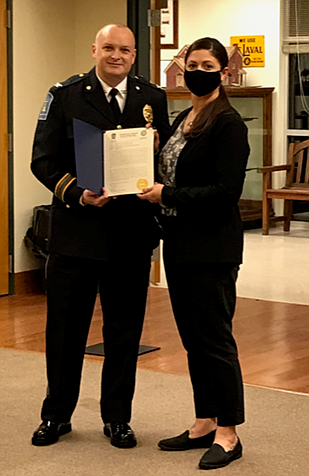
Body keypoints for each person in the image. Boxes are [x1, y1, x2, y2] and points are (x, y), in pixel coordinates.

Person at [31, 24, 170, 449]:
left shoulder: (152, 98)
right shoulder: (66, 94)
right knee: (65, 330)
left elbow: (160, 160)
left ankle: (117, 418)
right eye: (109, 47)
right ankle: (56, 415)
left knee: (124, 332)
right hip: (77, 232)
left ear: (133, 56)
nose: (117, 56)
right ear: (95, 49)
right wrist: (77, 193)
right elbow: (43, 160)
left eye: (125, 50)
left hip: (129, 235)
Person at [138, 37, 250, 470]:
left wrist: (169, 193)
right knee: (193, 341)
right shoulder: (186, 116)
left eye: (207, 65)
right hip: (179, 245)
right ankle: (204, 421)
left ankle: (229, 432)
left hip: (212, 248)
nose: (197, 71)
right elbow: (169, 163)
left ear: (222, 72)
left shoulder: (229, 124)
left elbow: (225, 193)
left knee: (216, 341)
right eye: (192, 64)